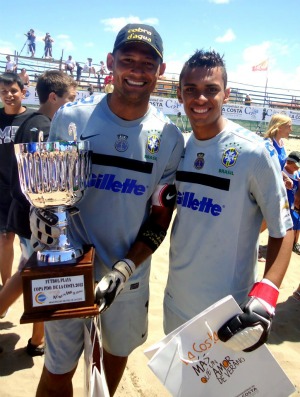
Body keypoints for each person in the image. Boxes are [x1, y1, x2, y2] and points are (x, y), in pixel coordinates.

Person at [29, 23, 184, 397]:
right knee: (57, 371)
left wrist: (125, 267)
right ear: (111, 63)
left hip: (125, 281)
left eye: (148, 63)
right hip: (67, 271)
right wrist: (43, 221)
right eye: (128, 60)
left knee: (110, 363)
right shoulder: (71, 118)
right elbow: (47, 193)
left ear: (160, 71)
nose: (136, 70)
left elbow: (161, 214)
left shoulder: (170, 137)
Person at [163, 49, 293, 354]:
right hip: (175, 302)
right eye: (191, 90)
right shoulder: (178, 147)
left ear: (227, 94)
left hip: (228, 311)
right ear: (180, 95)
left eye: (211, 90)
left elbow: (283, 228)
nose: (201, 99)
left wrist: (267, 294)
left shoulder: (253, 152)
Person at [0, 70, 77, 354]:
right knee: (33, 274)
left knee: (32, 274)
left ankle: (37, 340)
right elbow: (37, 184)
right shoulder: (40, 125)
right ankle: (36, 340)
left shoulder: (34, 120)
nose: (73, 103)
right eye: (70, 98)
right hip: (33, 218)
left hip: (29, 217)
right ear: (54, 97)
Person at [0, 73, 34, 291]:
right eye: (4, 91)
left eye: (13, 90)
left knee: (24, 244)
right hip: (0, 189)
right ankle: (5, 291)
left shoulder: (32, 120)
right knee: (4, 240)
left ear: (23, 92)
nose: (9, 95)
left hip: (22, 192)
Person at [283, 151, 300, 255]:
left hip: (294, 205)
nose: (298, 168)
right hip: (284, 205)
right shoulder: (283, 171)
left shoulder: (297, 173)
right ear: (289, 162)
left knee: (297, 223)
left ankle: (294, 244)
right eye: (296, 166)